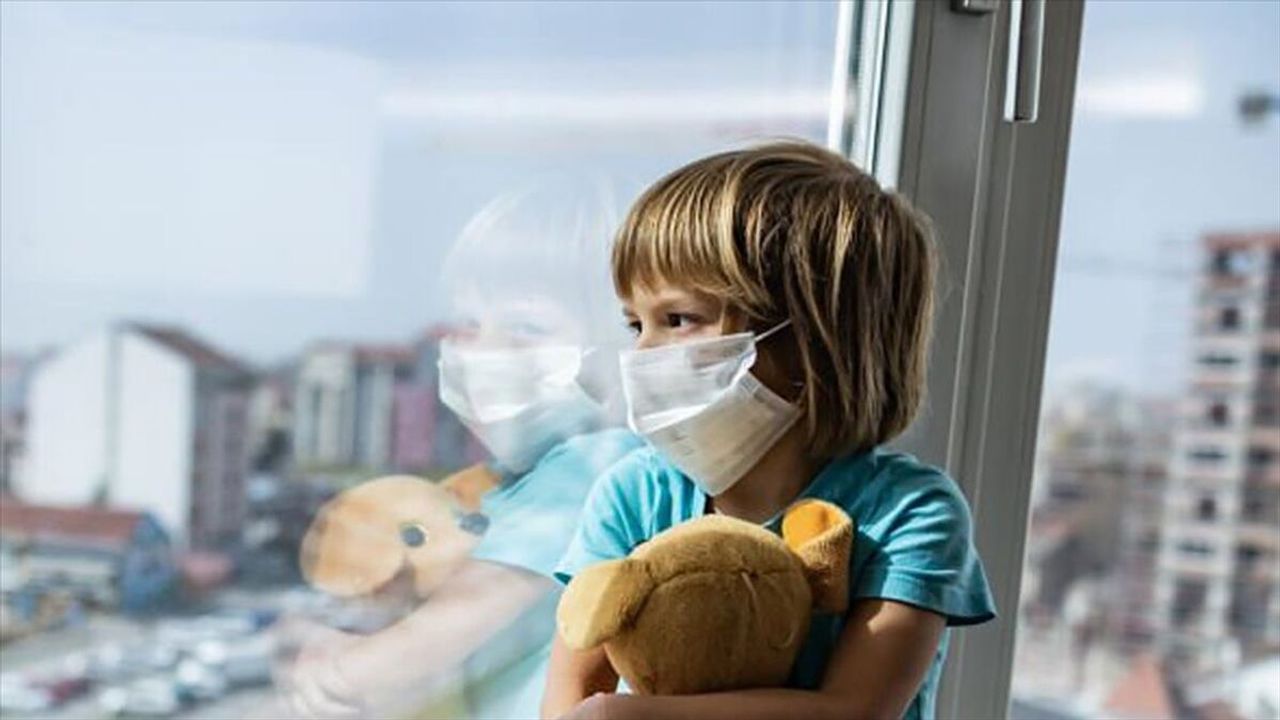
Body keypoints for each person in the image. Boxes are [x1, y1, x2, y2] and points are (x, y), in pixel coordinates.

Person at [544, 141, 996, 720]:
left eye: (678, 319)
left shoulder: (909, 511)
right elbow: (566, 701)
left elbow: (852, 711)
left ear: (815, 338)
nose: (643, 353)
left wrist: (630, 717)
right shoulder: (633, 496)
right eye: (636, 324)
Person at [278, 179, 642, 720]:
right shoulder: (512, 481)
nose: (485, 348)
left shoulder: (599, 468)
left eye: (527, 326)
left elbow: (451, 625)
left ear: (623, 340)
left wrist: (333, 667)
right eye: (470, 323)